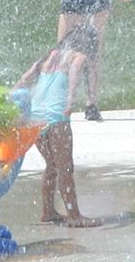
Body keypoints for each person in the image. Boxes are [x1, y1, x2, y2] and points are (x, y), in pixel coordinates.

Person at [20, 28, 97, 227]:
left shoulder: (49, 57)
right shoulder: (78, 56)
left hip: (36, 118)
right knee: (65, 168)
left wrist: (12, 96)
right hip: (56, 117)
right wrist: (70, 101)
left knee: (51, 166)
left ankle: (48, 212)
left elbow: (25, 78)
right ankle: (74, 216)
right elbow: (74, 74)